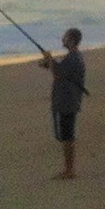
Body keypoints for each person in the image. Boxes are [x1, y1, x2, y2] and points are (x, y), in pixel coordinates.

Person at [39, 27, 87, 178]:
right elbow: (59, 69)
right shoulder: (73, 57)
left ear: (71, 40)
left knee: (67, 136)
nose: (62, 39)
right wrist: (48, 61)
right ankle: (68, 169)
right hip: (68, 100)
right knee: (67, 135)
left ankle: (69, 170)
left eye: (65, 37)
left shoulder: (74, 58)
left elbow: (58, 75)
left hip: (68, 101)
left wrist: (50, 59)